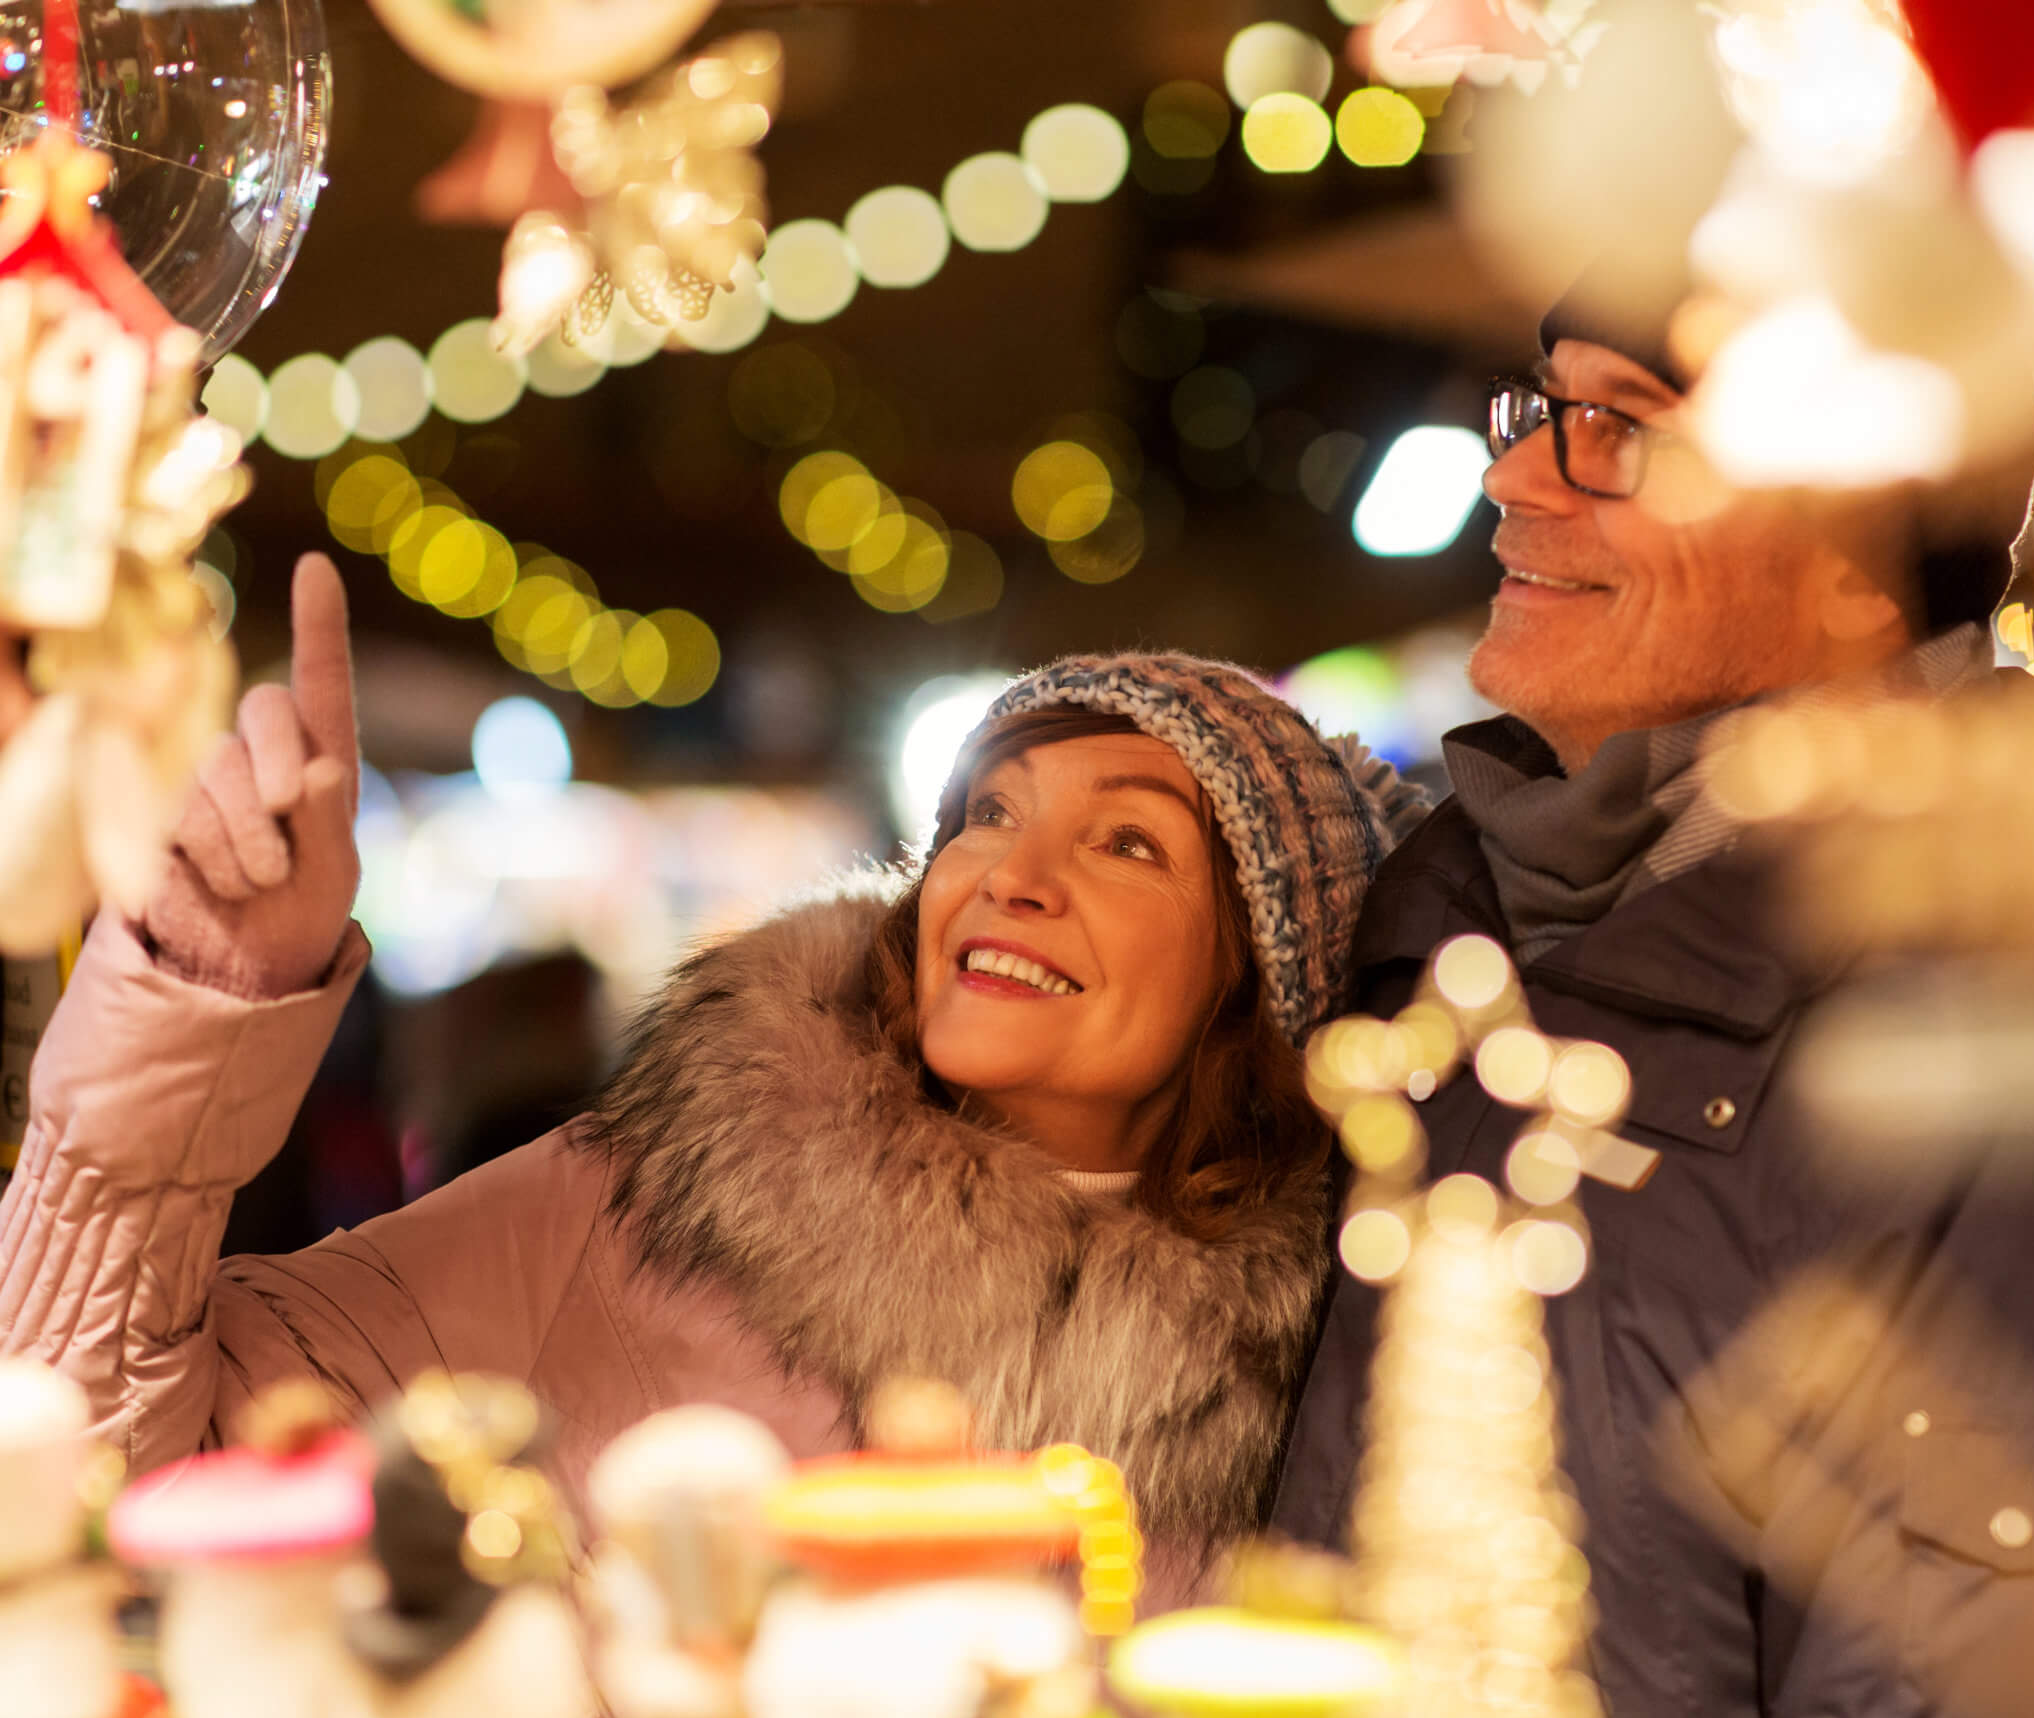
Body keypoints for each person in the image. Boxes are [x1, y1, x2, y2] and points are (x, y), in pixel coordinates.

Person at [0, 560, 1414, 1597]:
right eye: (988, 815)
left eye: (1131, 845)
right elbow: (91, 1460)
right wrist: (200, 1000)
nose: (1012, 879)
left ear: (1263, 978)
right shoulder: (648, 1206)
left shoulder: (1320, 1383)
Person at [1266, 281, 2034, 1718]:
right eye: (1537, 410)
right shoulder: (1430, 925)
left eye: (1618, 429)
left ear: (1861, 552)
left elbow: (1959, 1690)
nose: (1513, 474)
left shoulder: (2010, 1004)